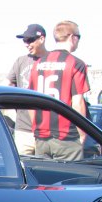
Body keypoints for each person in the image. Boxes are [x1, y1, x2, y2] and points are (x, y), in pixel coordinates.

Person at [29, 20, 90, 159]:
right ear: (72, 37)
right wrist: (82, 134)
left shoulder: (38, 63)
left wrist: (36, 129)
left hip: (41, 137)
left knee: (44, 179)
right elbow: (77, 102)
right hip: (67, 137)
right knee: (70, 179)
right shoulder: (75, 63)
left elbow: (31, 103)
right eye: (79, 37)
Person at [5, 23, 49, 154]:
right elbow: (7, 85)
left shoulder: (53, 61)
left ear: (42, 39)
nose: (27, 44)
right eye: (25, 40)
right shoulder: (21, 61)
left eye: (30, 40)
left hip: (47, 130)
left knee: (45, 168)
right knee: (23, 168)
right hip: (23, 129)